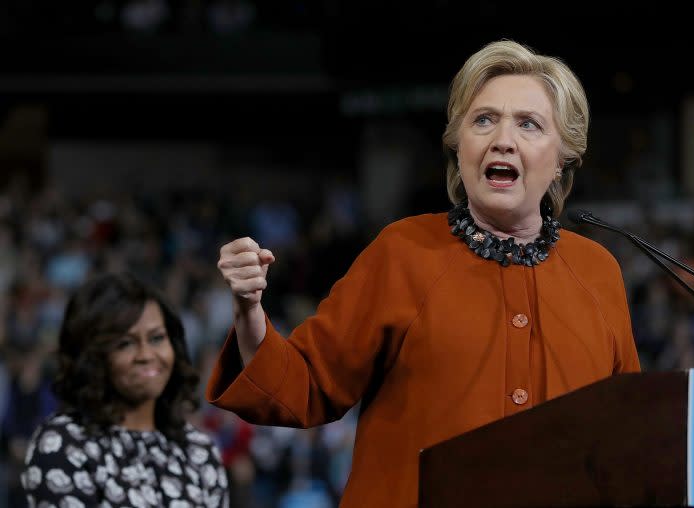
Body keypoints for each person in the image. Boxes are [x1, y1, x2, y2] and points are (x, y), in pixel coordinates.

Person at [207, 40, 641, 507]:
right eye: (483, 120)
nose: (502, 139)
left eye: (529, 124)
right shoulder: (403, 252)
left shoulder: (597, 272)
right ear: (459, 147)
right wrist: (250, 310)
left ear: (562, 160)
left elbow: (628, 431)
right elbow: (305, 387)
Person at [21, 272, 229, 507]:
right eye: (125, 343)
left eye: (157, 338)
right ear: (93, 356)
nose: (146, 355)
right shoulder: (63, 444)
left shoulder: (199, 449)